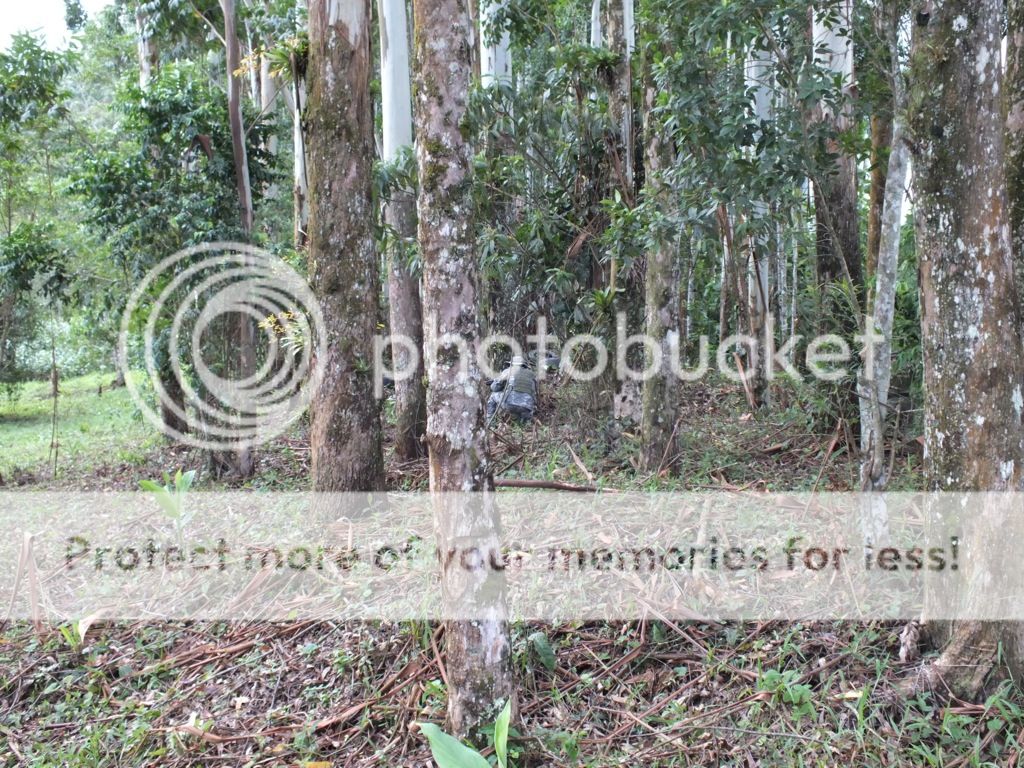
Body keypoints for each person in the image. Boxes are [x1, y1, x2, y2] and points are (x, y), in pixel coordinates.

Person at [487, 355, 538, 422]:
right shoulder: (532, 375)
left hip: (510, 404)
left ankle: (490, 422)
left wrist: (496, 382)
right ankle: (524, 424)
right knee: (524, 422)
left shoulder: (508, 371)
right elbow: (535, 393)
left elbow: (494, 388)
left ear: (512, 364)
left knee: (493, 396)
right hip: (528, 407)